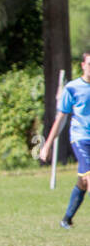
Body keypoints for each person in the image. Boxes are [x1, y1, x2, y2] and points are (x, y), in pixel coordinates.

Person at [39, 51, 90, 229]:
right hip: (81, 139)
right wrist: (47, 146)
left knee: (83, 182)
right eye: (89, 64)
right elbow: (60, 119)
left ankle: (66, 219)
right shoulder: (73, 88)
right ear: (83, 65)